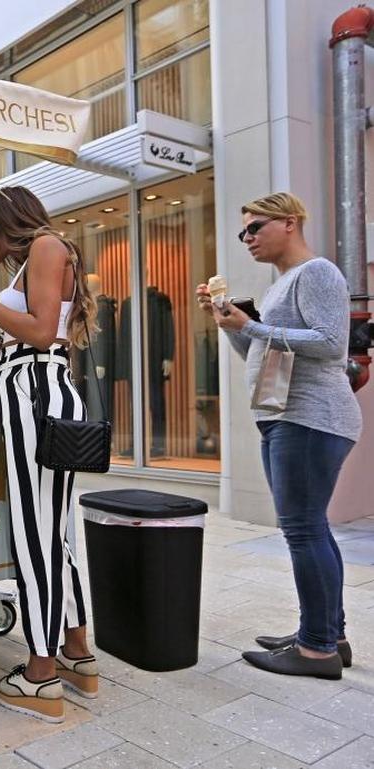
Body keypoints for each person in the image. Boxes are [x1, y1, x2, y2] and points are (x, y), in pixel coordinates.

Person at [0, 185, 98, 723]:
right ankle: (77, 653)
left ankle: (40, 674)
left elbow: (41, 331)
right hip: (29, 390)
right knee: (53, 531)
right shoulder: (33, 260)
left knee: (36, 536)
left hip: (35, 396)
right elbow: (17, 342)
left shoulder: (48, 247)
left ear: (6, 219)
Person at [196, 192, 361, 680]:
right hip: (287, 416)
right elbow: (261, 353)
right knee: (311, 528)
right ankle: (330, 635)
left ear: (289, 222)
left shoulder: (317, 273)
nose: (246, 238)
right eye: (242, 231)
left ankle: (316, 651)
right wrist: (232, 324)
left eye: (254, 228)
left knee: (304, 530)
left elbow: (332, 343)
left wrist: (254, 325)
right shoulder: (284, 283)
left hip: (311, 417)